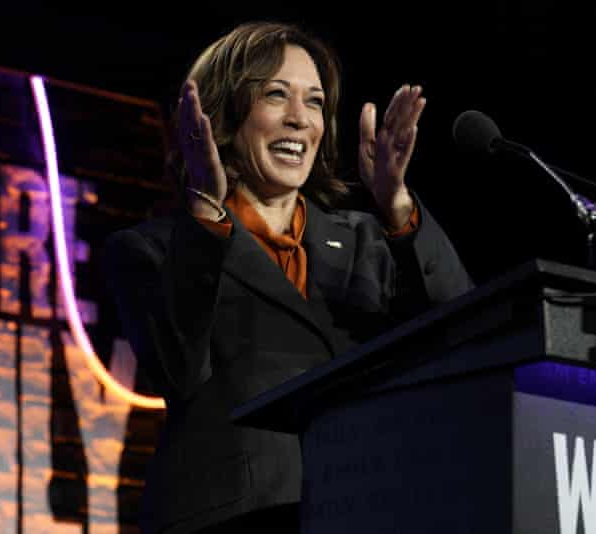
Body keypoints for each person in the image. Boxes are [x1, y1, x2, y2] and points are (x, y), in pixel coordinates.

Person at [104, 21, 473, 533]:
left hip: (366, 508)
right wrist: (207, 211)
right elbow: (177, 372)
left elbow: (464, 333)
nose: (301, 119)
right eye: (276, 95)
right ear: (223, 118)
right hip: (232, 520)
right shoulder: (154, 250)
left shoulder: (373, 242)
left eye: (315, 101)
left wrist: (397, 205)